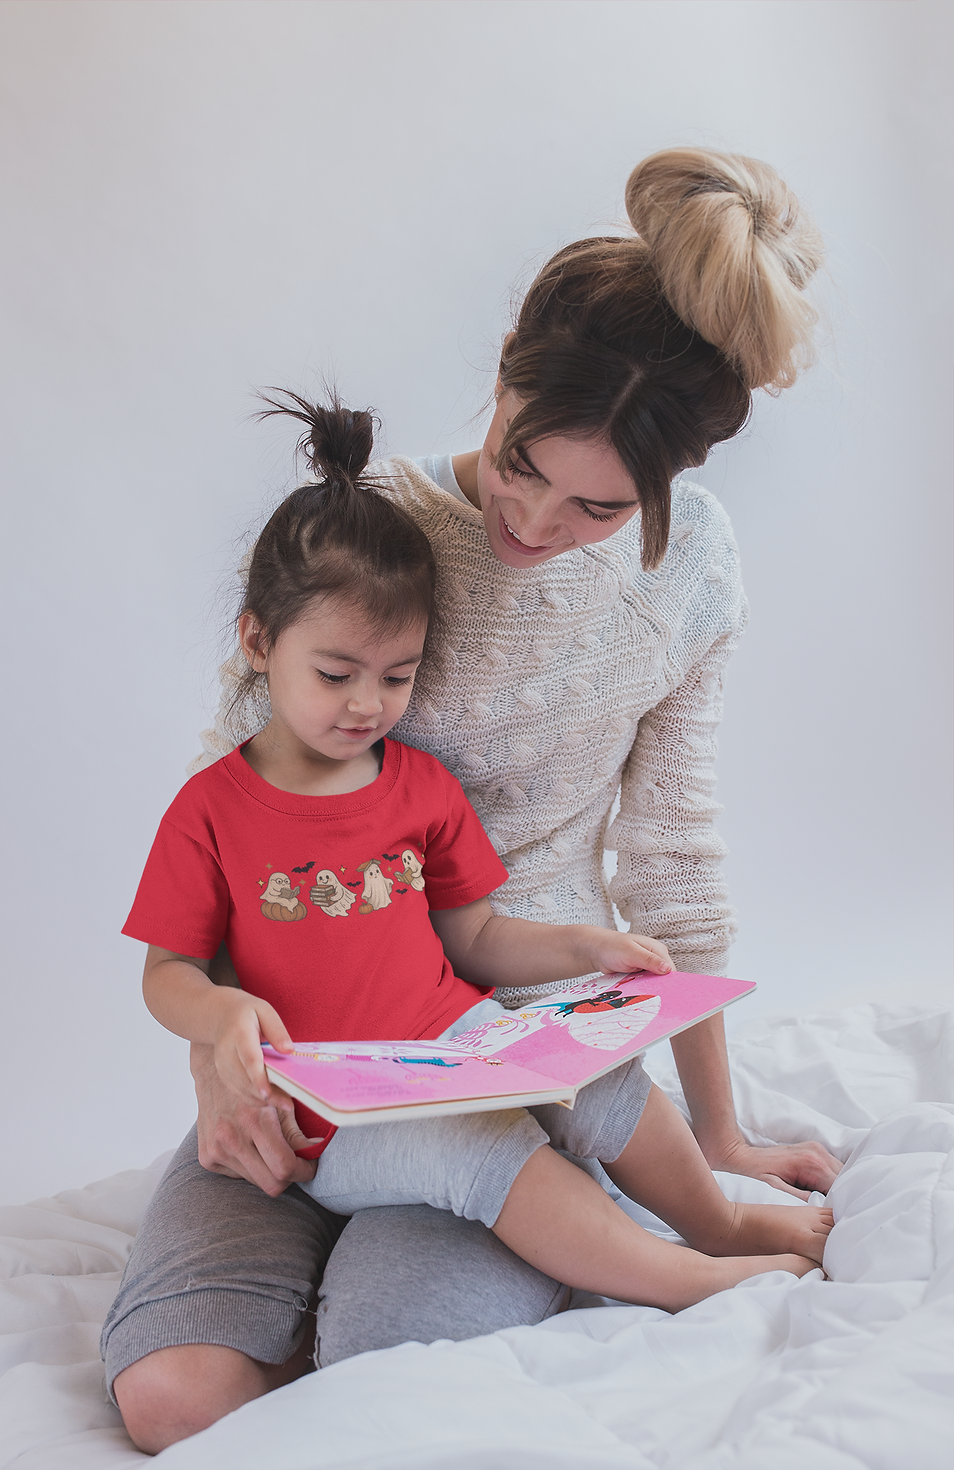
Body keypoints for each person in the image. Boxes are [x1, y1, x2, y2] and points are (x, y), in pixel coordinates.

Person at [107, 147, 843, 1451]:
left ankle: (595, 1220)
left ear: (667, 491)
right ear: (505, 366)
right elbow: (240, 831)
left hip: (511, 1051)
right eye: (521, 464)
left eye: (599, 504)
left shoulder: (690, 575)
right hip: (310, 1051)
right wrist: (222, 1054)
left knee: (386, 1368)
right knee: (173, 1388)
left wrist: (718, 1131)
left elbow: (674, 855)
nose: (536, 518)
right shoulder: (368, 537)